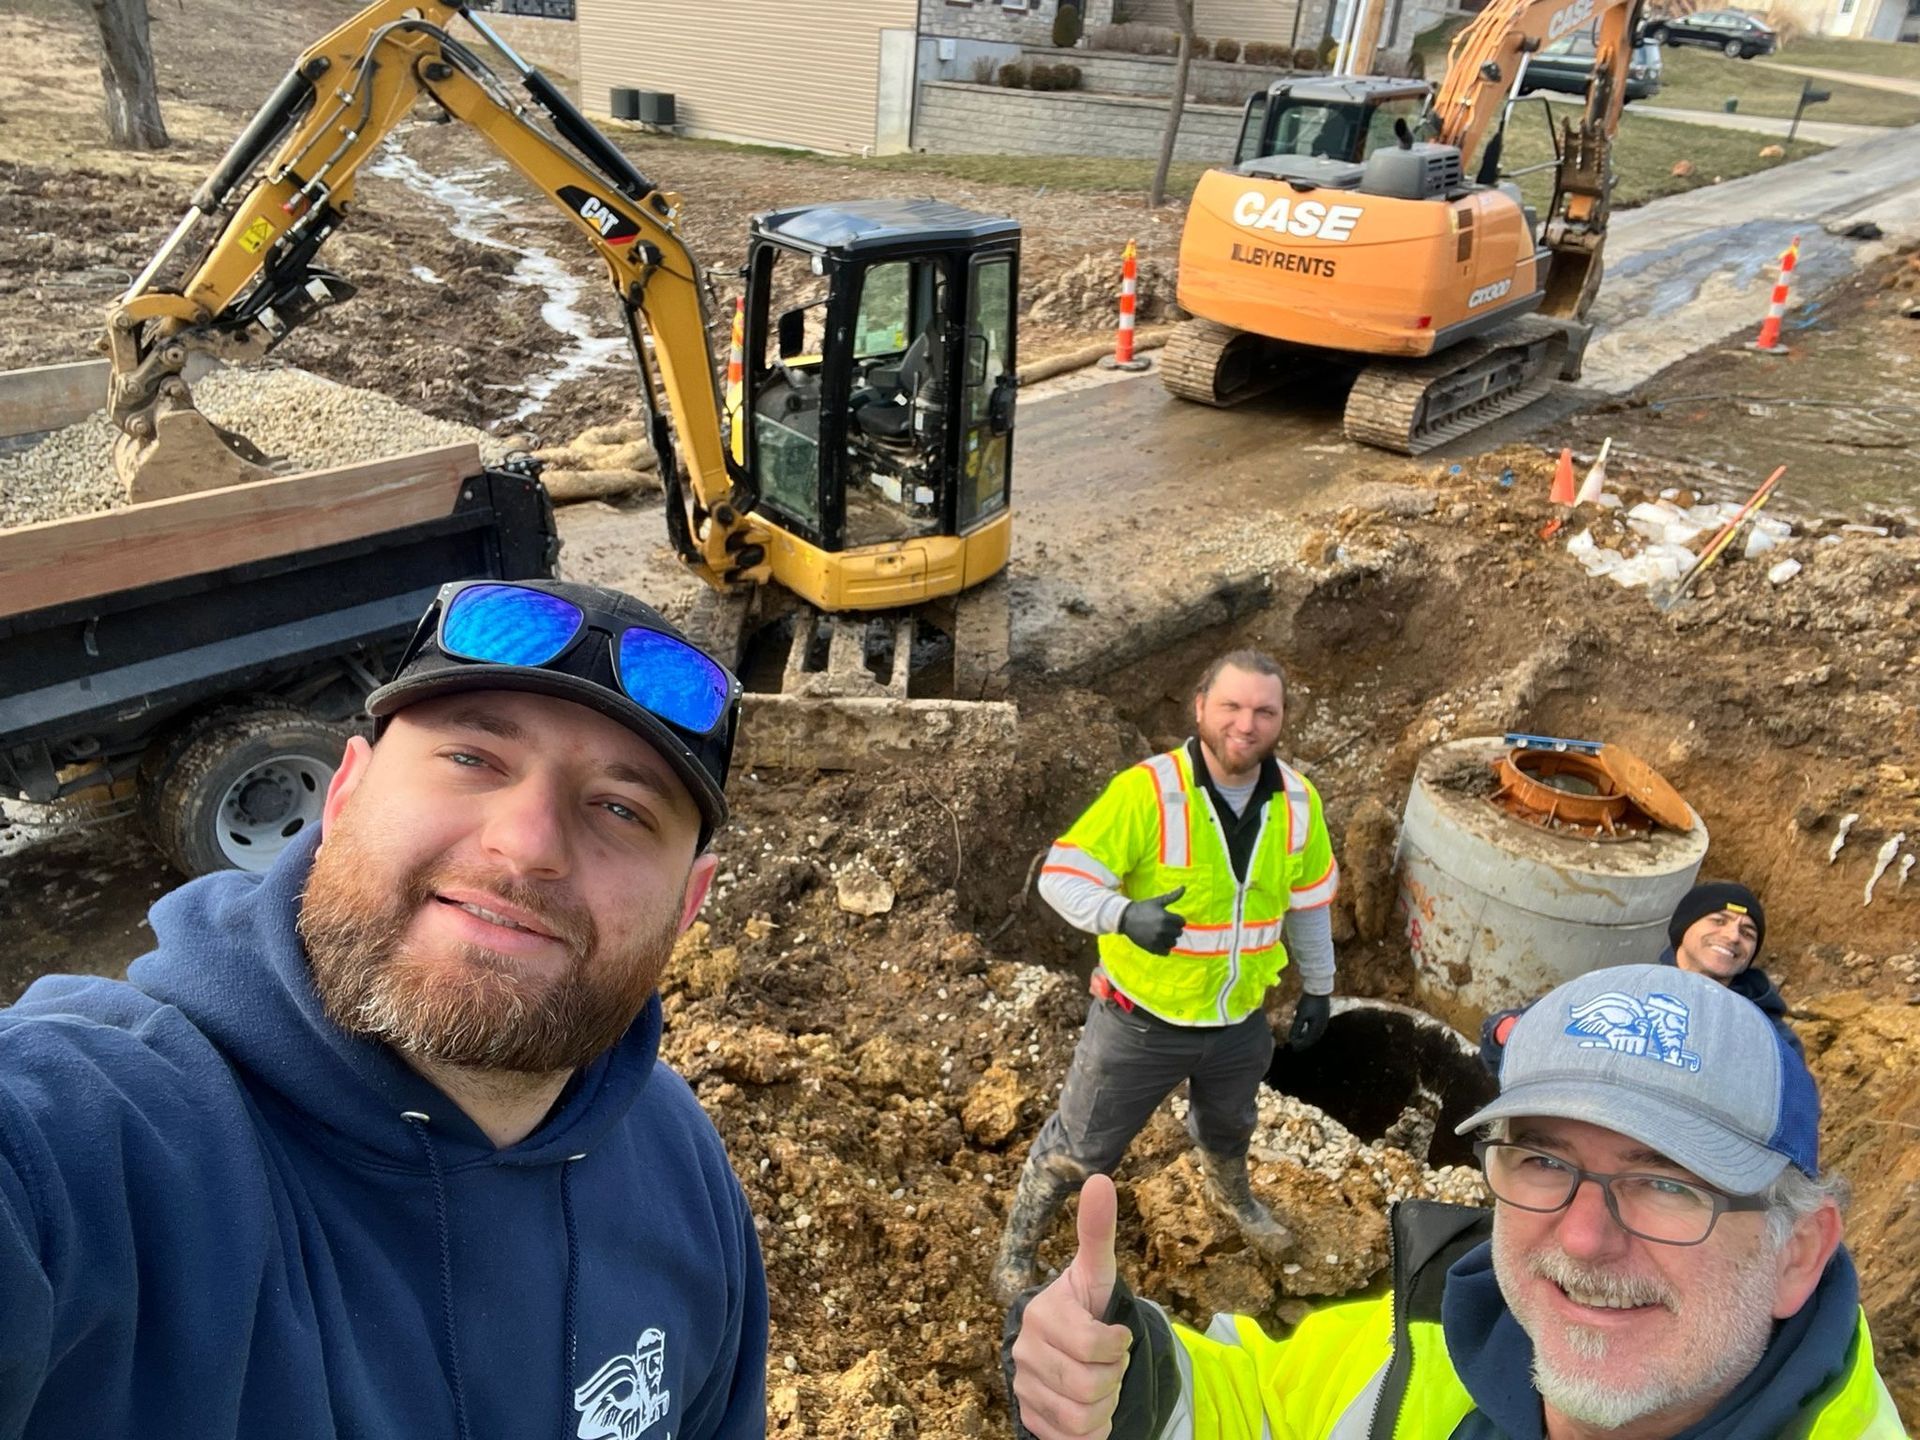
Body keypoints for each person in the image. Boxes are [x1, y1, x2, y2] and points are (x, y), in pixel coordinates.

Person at [0, 579, 767, 1438]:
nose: (528, 843)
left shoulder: (683, 1171)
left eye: (622, 809)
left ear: (689, 903)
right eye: (474, 759)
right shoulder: (92, 1151)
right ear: (344, 793)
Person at [1005, 963, 1904, 1440]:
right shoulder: (1435, 1345)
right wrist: (1126, 1383)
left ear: (1797, 1251)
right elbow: (1266, 1408)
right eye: (1546, 1164)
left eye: (1667, 1183)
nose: (1586, 1239)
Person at [991, 649, 1340, 1305]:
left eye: (1264, 711)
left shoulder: (1297, 801)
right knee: (1081, 1147)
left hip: (1238, 1020)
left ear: (1281, 720)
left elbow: (1309, 901)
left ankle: (1232, 1199)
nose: (1247, 724)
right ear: (1201, 707)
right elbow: (1061, 876)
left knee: (1230, 1124)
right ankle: (1017, 1251)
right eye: (1232, 706)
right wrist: (1121, 915)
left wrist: (1319, 985)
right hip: (1140, 1022)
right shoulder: (1147, 792)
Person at [1481, 880, 1799, 1072]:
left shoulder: (1767, 1034)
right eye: (1718, 920)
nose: (1732, 936)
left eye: (1747, 932)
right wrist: (1508, 1031)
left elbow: (1790, 1115)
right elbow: (1503, 1043)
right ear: (1683, 929)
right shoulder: (1625, 986)